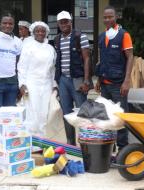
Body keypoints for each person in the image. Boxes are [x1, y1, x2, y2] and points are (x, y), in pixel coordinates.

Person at [95, 6, 134, 151]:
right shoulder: (101, 36)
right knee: (107, 117)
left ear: (116, 17)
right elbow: (101, 60)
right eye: (105, 17)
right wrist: (98, 80)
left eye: (110, 17)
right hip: (104, 85)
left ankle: (123, 150)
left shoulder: (124, 35)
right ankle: (109, 149)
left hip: (118, 85)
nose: (107, 19)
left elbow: (130, 57)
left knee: (120, 118)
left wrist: (127, 81)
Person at [54, 10, 91, 145]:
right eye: (61, 22)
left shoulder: (80, 36)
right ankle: (70, 141)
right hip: (63, 80)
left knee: (82, 111)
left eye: (66, 21)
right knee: (66, 111)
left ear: (71, 22)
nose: (64, 24)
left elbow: (87, 58)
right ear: (58, 24)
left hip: (77, 79)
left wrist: (86, 80)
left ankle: (86, 140)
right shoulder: (57, 39)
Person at [18, 21, 57, 137]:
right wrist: (22, 84)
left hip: (46, 85)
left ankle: (41, 141)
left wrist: (54, 85)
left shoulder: (51, 49)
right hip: (31, 83)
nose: (40, 33)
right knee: (32, 113)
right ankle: (31, 142)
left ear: (46, 33)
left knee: (43, 113)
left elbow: (52, 69)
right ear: (33, 32)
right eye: (37, 31)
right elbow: (21, 67)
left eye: (43, 31)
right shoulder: (28, 47)